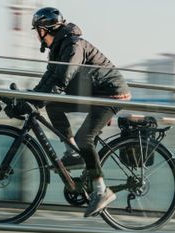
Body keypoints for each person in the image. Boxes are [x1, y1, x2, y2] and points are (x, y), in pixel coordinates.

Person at [31, 7, 131, 217]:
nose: (36, 35)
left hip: (111, 94)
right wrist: (28, 98)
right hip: (93, 94)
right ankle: (73, 152)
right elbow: (48, 81)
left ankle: (101, 190)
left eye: (37, 30)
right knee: (54, 105)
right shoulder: (58, 48)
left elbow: (61, 79)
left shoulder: (73, 45)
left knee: (86, 138)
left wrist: (36, 101)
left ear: (46, 29)